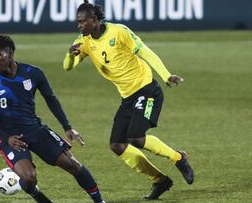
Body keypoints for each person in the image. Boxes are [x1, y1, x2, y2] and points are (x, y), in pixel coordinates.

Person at [63, 0, 194, 200]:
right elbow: (67, 67)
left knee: (136, 138)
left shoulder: (119, 32)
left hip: (147, 89)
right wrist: (71, 54)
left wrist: (166, 75)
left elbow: (145, 51)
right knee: (117, 145)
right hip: (127, 97)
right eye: (77, 22)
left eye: (82, 22)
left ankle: (178, 158)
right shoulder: (84, 41)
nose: (79, 26)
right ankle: (160, 180)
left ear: (95, 20)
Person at [0, 34, 105, 203]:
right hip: (11, 138)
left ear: (11, 54)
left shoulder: (33, 73)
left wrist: (67, 127)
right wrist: (6, 138)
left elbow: (51, 99)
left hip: (35, 129)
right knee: (29, 178)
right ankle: (37, 195)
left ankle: (99, 201)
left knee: (73, 164)